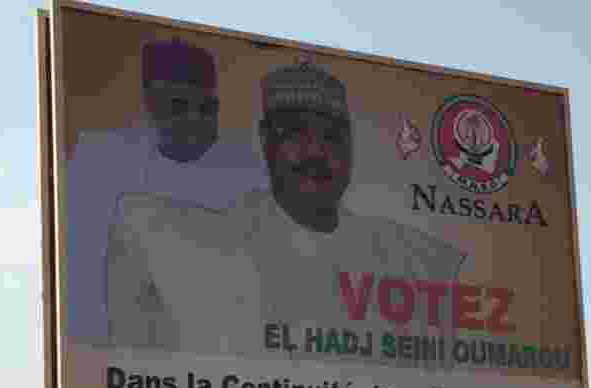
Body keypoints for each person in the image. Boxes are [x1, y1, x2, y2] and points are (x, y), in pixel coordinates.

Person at [105, 60, 468, 361]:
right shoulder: (217, 237)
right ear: (266, 141)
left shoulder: (397, 252)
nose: (316, 153)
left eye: (332, 138)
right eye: (295, 134)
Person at [66, 38, 270, 345]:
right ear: (150, 105)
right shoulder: (101, 163)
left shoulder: (249, 174)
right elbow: (82, 281)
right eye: (178, 106)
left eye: (205, 108)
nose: (194, 120)